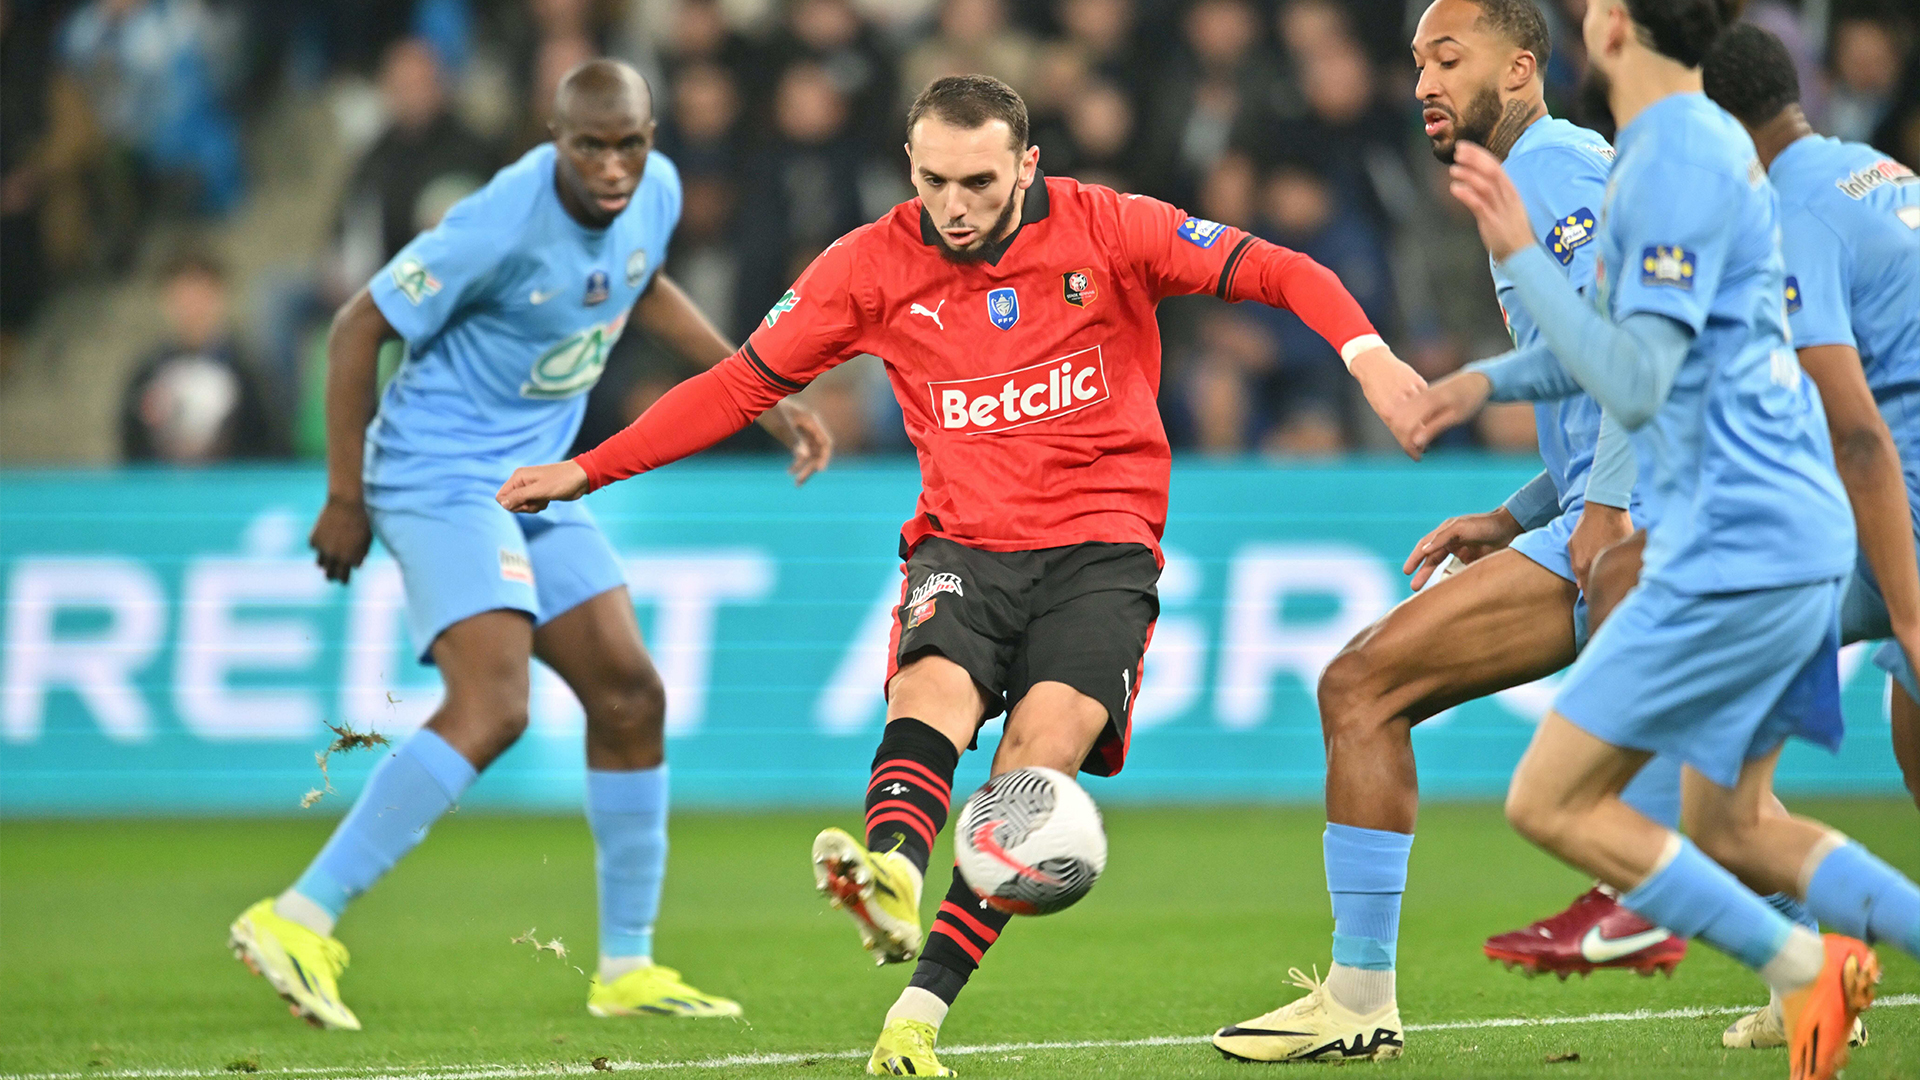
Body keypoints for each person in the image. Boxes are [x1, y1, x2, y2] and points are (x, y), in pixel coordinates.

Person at [496, 73, 1427, 1077]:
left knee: (1035, 765)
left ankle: (915, 1017)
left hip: (1100, 547)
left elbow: (1276, 269)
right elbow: (739, 386)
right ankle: (891, 872)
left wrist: (1365, 354)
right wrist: (590, 466)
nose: (957, 204)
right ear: (910, 167)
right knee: (927, 691)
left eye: (979, 180)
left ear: (1027, 164)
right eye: (935, 180)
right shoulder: (867, 267)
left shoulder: (1109, 228)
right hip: (964, 544)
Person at [226, 59, 833, 1032]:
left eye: (628, 143)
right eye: (588, 144)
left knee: (631, 695)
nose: (610, 165)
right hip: (435, 474)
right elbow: (354, 329)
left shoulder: (658, 191)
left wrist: (757, 390)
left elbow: (644, 285)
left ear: (651, 136)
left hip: (531, 479)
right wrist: (346, 494)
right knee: (495, 702)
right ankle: (296, 915)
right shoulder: (498, 223)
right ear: (554, 137)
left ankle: (626, 968)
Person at [1391, 1, 1920, 1076]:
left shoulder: (1673, 167)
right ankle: (1803, 963)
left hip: (1789, 527)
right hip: (1805, 519)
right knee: (1731, 820)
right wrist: (1484, 390)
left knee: (1565, 792)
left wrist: (1515, 261)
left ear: (1617, 36)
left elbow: (1646, 377)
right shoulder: (1776, 161)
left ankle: (1665, 914)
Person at [1208, 0, 1658, 1063]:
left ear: (1521, 65)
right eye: (1416, 63)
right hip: (1613, 504)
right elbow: (1596, 389)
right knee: (1731, 778)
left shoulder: (1552, 169)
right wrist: (1516, 513)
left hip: (1645, 512)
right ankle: (1810, 967)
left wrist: (1603, 512)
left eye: (1448, 59)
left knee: (1361, 688)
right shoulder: (1529, 178)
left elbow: (1643, 346)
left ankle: (1363, 998)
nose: (1423, 83)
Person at [121, 250, 280, 463]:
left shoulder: (248, 371)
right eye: (183, 296)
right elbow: (131, 445)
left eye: (201, 294)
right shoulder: (148, 373)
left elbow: (270, 442)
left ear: (219, 296)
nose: (192, 307)